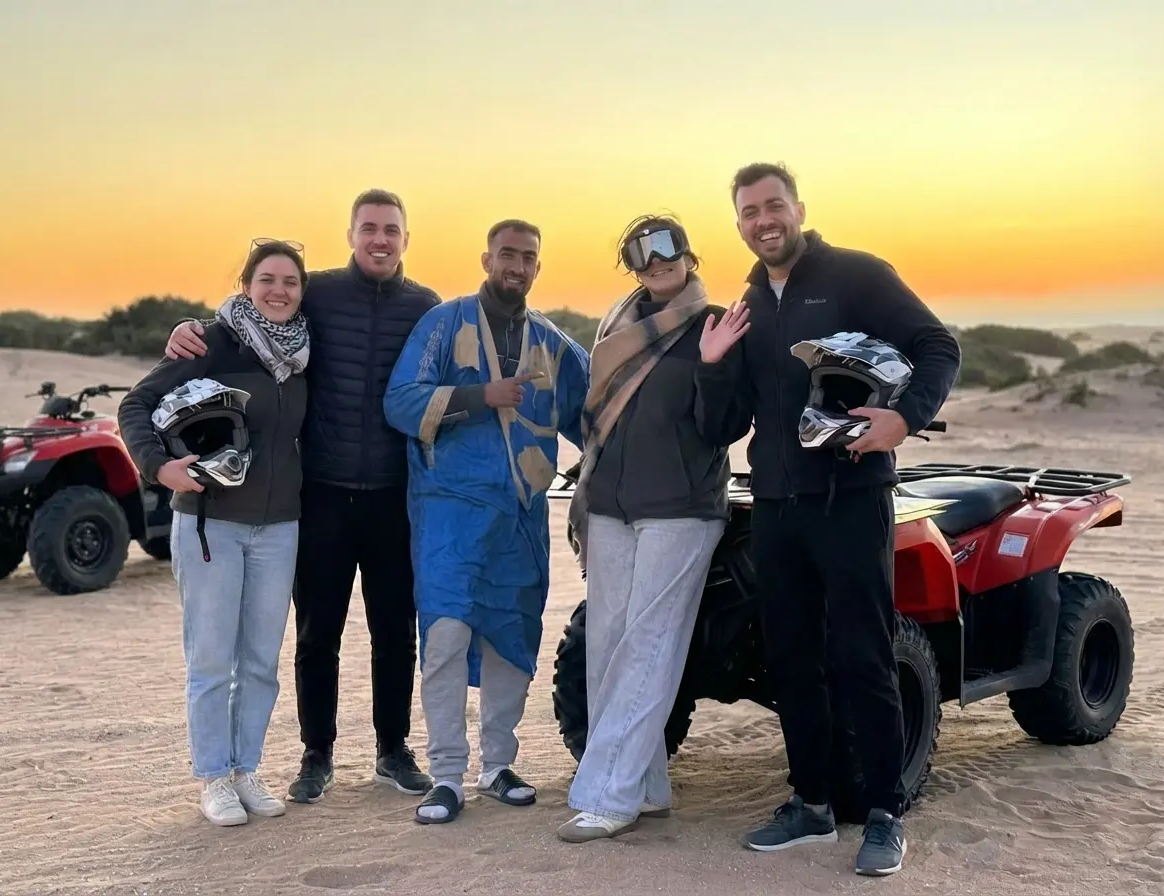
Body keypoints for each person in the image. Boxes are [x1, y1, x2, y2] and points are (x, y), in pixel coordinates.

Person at [695, 162, 961, 876]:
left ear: (799, 209)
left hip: (851, 500)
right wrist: (714, 363)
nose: (763, 221)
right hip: (776, 506)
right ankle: (811, 804)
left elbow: (938, 346)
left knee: (864, 656)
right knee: (791, 660)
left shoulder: (855, 275)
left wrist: (905, 418)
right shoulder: (748, 305)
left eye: (773, 205)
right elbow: (723, 425)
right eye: (749, 212)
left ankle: (884, 815)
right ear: (739, 224)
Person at [163, 190, 441, 803]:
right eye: (368, 228)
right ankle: (317, 755)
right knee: (317, 633)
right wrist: (190, 328)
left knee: (396, 631)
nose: (379, 239)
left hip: (395, 497)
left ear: (405, 239)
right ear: (351, 234)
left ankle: (393, 750)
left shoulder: (426, 306)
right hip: (320, 495)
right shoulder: (318, 293)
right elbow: (257, 311)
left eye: (391, 230)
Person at [383, 219, 590, 825]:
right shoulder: (443, 324)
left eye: (528, 258)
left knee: (511, 638)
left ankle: (498, 766)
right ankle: (446, 776)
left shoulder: (553, 344)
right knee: (445, 635)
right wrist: (481, 397)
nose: (516, 266)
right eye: (507, 254)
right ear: (486, 258)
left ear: (537, 267)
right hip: (449, 511)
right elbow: (400, 401)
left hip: (521, 517)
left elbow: (597, 413)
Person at [555, 216, 738, 842]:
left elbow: (724, 427)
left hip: (681, 506)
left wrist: (713, 365)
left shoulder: (713, 324)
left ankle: (608, 796)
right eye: (640, 253)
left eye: (666, 247)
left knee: (649, 645)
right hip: (610, 502)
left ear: (687, 253)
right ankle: (646, 787)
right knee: (607, 644)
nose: (656, 261)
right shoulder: (619, 325)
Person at [118, 239, 311, 826]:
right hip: (209, 526)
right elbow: (135, 405)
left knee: (260, 661)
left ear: (303, 291)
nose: (278, 291)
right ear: (246, 285)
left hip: (279, 528)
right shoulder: (210, 341)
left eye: (291, 282)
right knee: (211, 658)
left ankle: (246, 769)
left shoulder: (307, 350)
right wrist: (159, 468)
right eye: (267, 280)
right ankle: (213, 778)